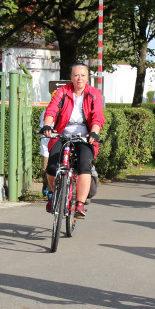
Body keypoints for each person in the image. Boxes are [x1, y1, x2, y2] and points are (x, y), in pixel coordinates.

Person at [40, 63, 105, 218]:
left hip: (84, 137)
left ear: (87, 78)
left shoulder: (94, 93)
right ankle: (56, 194)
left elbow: (98, 116)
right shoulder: (62, 92)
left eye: (83, 75)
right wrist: (47, 125)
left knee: (84, 166)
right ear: (71, 77)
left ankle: (80, 204)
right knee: (52, 167)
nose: (79, 79)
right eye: (76, 75)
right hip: (62, 134)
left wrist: (94, 133)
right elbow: (52, 109)